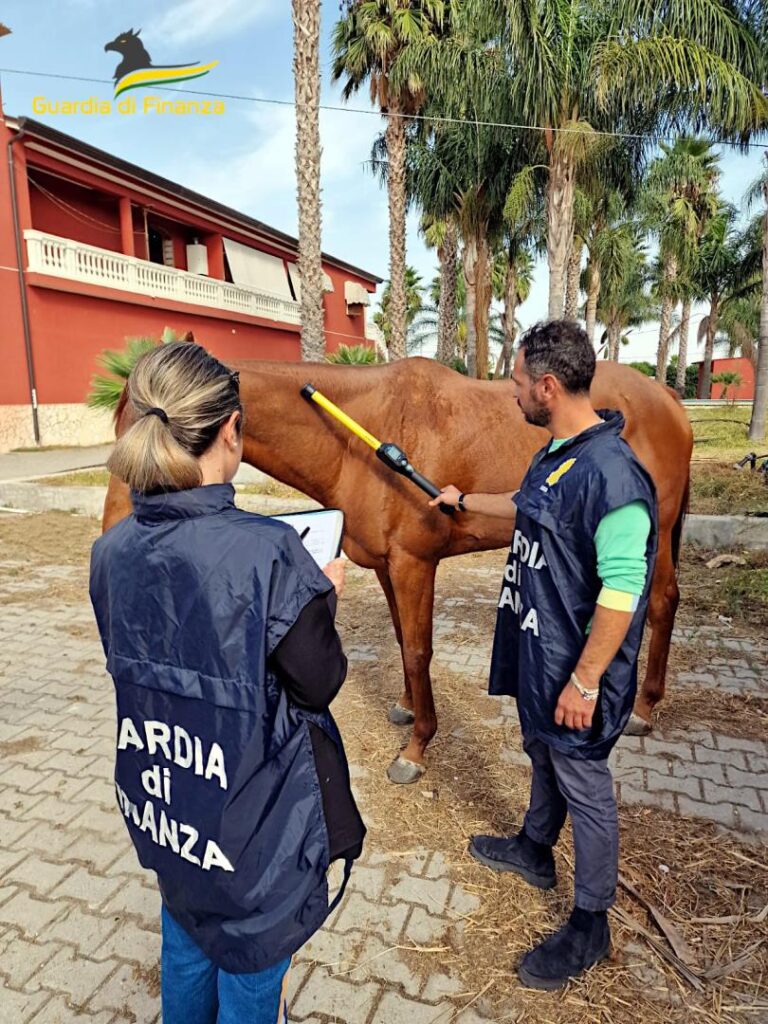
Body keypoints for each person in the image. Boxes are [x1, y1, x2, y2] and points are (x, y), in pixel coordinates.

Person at [89, 342, 365, 1024]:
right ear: (231, 430)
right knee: (249, 968)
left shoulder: (110, 551)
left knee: (184, 941)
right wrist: (321, 597)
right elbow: (317, 682)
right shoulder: (270, 553)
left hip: (170, 806)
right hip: (254, 826)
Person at [431, 320, 657, 991]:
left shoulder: (614, 479)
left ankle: (591, 924)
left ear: (549, 387)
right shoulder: (559, 452)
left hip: (578, 667)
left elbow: (623, 590)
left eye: (518, 382)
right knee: (540, 748)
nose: (511, 393)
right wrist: (464, 501)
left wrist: (585, 681)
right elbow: (532, 506)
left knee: (583, 782)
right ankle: (534, 849)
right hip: (540, 647)